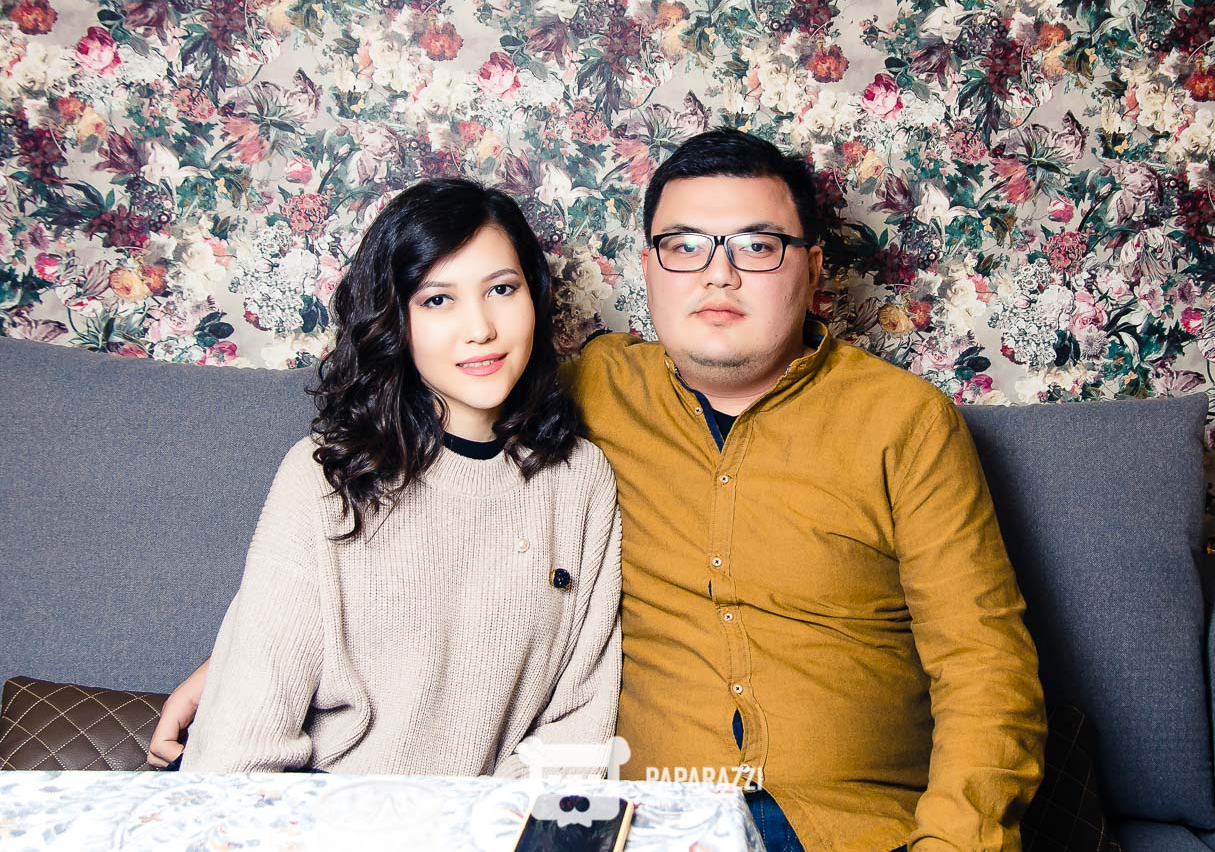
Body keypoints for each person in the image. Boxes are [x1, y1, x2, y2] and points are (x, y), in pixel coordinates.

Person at [153, 131, 1045, 851]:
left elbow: (987, 670)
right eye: (685, 247)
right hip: (649, 820)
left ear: (813, 271)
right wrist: (244, 661)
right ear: (648, 269)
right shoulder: (586, 394)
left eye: (758, 246)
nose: (719, 274)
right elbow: (415, 484)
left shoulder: (905, 423)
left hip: (850, 825)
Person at [176, 178, 622, 775]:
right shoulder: (323, 477)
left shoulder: (580, 480)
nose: (481, 328)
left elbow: (578, 727)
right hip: (321, 814)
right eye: (437, 300)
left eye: (501, 289)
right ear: (395, 318)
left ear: (534, 298)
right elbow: (241, 745)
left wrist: (489, 821)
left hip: (496, 820)